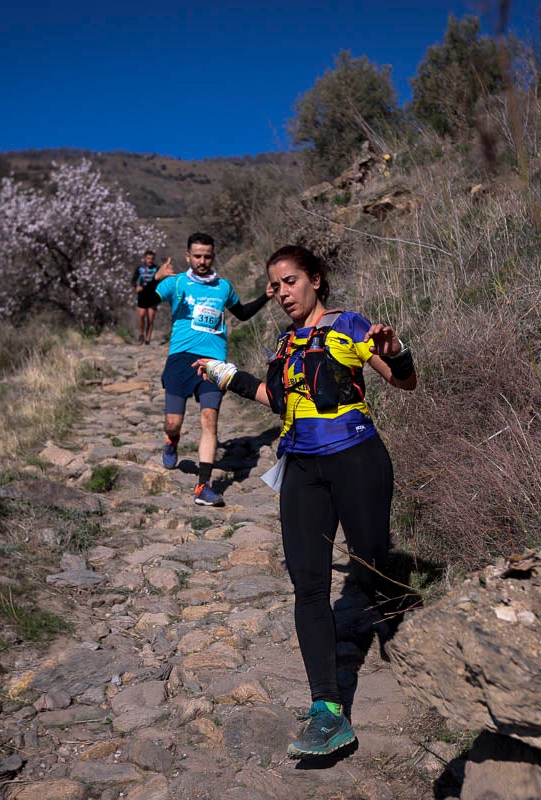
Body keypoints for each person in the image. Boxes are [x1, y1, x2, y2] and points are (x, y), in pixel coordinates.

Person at [193, 244, 417, 758]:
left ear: (316, 280)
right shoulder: (283, 343)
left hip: (357, 459)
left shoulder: (349, 326)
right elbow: (281, 399)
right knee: (309, 587)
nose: (281, 293)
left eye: (290, 281)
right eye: (274, 286)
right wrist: (230, 377)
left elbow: (405, 381)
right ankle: (327, 710)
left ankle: (404, 632)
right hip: (301, 469)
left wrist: (395, 347)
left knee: (373, 564)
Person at [152, 232, 271, 506]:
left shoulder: (223, 287)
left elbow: (241, 313)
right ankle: (172, 441)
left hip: (213, 363)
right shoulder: (177, 283)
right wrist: (155, 279)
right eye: (197, 256)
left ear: (213, 256)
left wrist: (265, 297)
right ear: (188, 257)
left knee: (209, 419)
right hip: (180, 360)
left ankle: (203, 487)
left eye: (207, 256)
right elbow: (146, 300)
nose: (203, 261)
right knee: (173, 423)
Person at [132, 250, 163, 345]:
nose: (150, 260)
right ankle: (141, 335)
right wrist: (136, 287)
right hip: (142, 295)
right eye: (148, 258)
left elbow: (160, 281)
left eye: (152, 259)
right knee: (141, 316)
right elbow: (133, 280)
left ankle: (147, 339)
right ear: (145, 258)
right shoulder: (140, 268)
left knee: (150, 318)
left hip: (153, 295)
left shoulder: (157, 268)